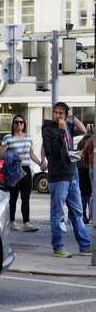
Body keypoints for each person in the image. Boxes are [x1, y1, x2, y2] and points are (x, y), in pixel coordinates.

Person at [41, 102, 92, 258]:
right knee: (57, 213)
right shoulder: (49, 129)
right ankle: (57, 246)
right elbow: (54, 150)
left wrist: (72, 116)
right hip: (58, 177)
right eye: (56, 112)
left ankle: (85, 246)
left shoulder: (69, 125)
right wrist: (62, 132)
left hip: (72, 174)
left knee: (76, 212)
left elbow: (84, 131)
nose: (58, 115)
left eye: (61, 113)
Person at [0, 115, 42, 232]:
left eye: (21, 122)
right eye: (16, 122)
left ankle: (26, 223)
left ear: (24, 124)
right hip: (13, 170)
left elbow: (31, 154)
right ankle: (12, 221)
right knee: (13, 197)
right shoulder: (8, 138)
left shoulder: (28, 138)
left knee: (26, 197)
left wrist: (40, 163)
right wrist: (15, 157)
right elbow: (1, 154)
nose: (19, 124)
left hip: (26, 169)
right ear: (13, 125)